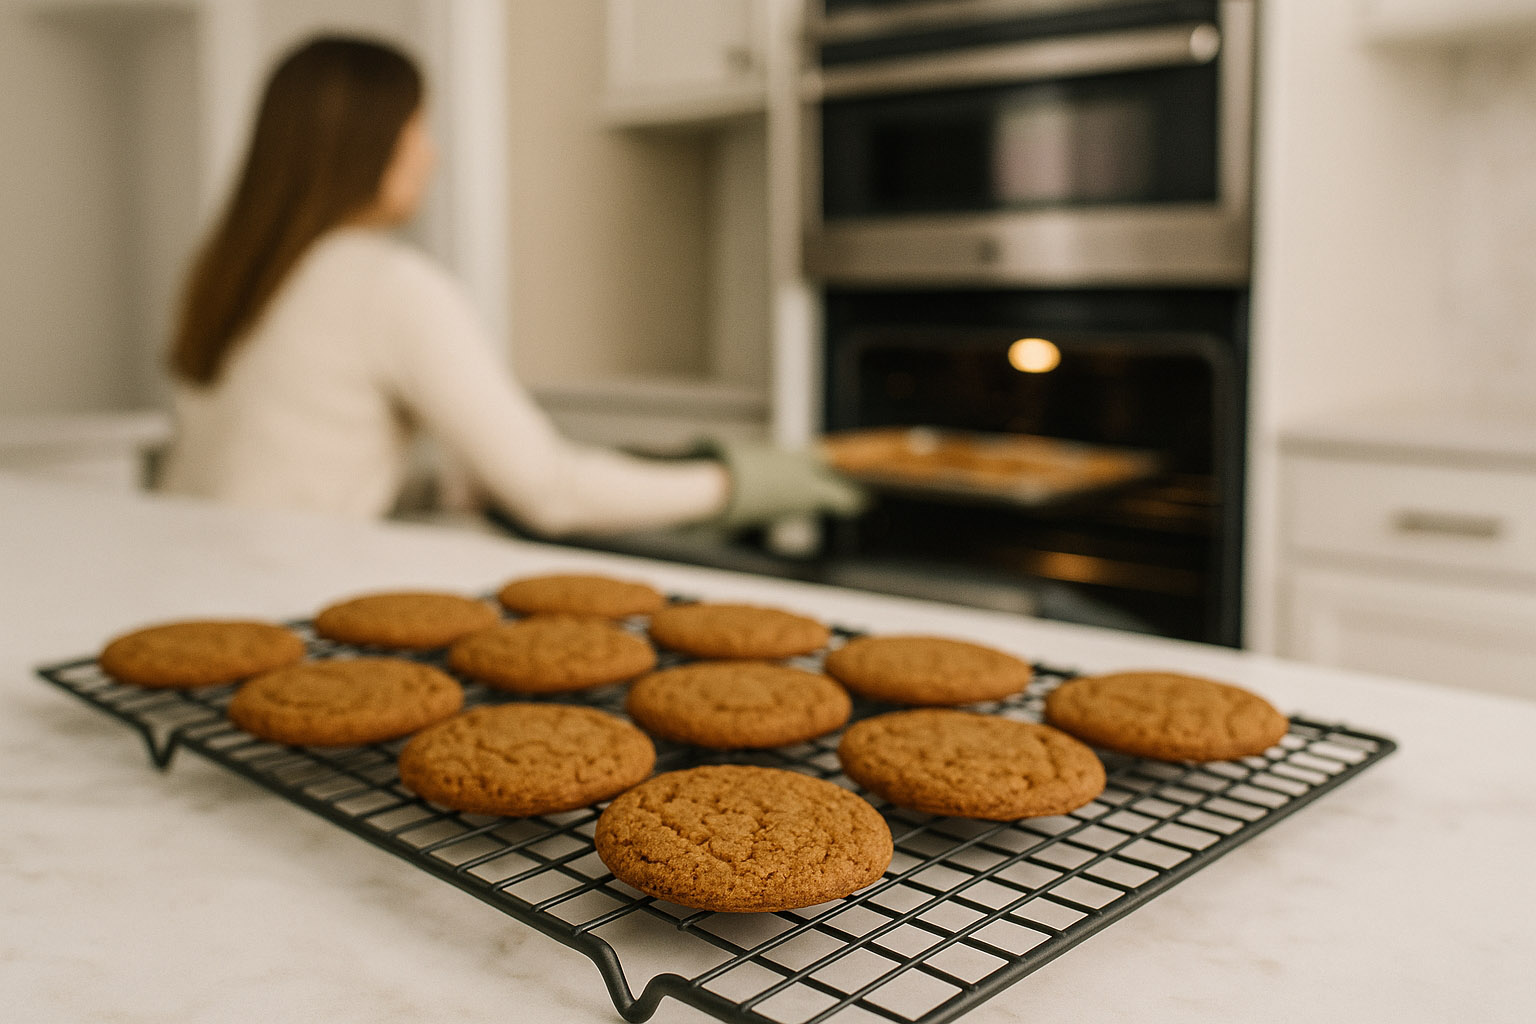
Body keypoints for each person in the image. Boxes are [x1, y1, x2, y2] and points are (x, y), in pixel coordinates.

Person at [158, 35, 861, 536]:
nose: (430, 154)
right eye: (416, 128)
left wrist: (426, 487)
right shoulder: (386, 284)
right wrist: (746, 480)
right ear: (366, 143)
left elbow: (272, 465)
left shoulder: (233, 271)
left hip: (190, 585)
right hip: (285, 615)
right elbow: (551, 492)